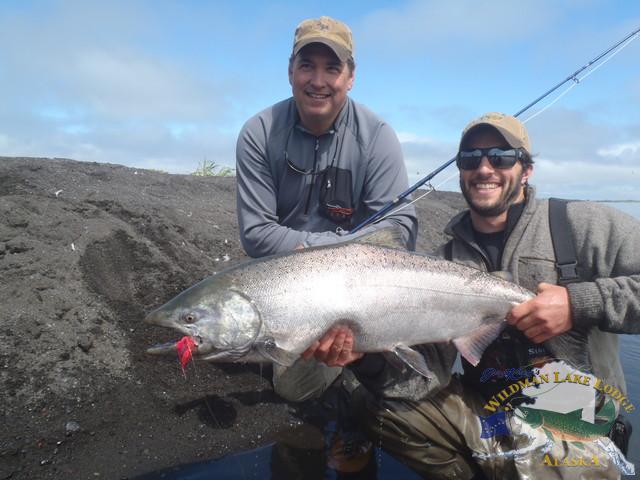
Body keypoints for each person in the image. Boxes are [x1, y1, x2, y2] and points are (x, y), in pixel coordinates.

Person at [309, 112, 640, 479]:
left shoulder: (582, 224)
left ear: (526, 169)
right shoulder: (445, 262)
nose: (484, 168)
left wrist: (578, 305)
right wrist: (361, 358)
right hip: (493, 418)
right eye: (470, 159)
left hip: (578, 425)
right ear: (461, 171)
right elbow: (425, 377)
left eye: (500, 156)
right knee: (373, 407)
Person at [235, 15, 418, 403]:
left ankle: (364, 363)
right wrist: (344, 247)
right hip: (291, 282)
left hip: (365, 287)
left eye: (331, 68)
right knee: (291, 387)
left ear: (350, 77)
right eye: (307, 66)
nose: (318, 81)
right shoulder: (259, 133)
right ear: (290, 71)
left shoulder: (378, 137)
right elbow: (256, 233)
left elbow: (398, 230)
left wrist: (336, 254)